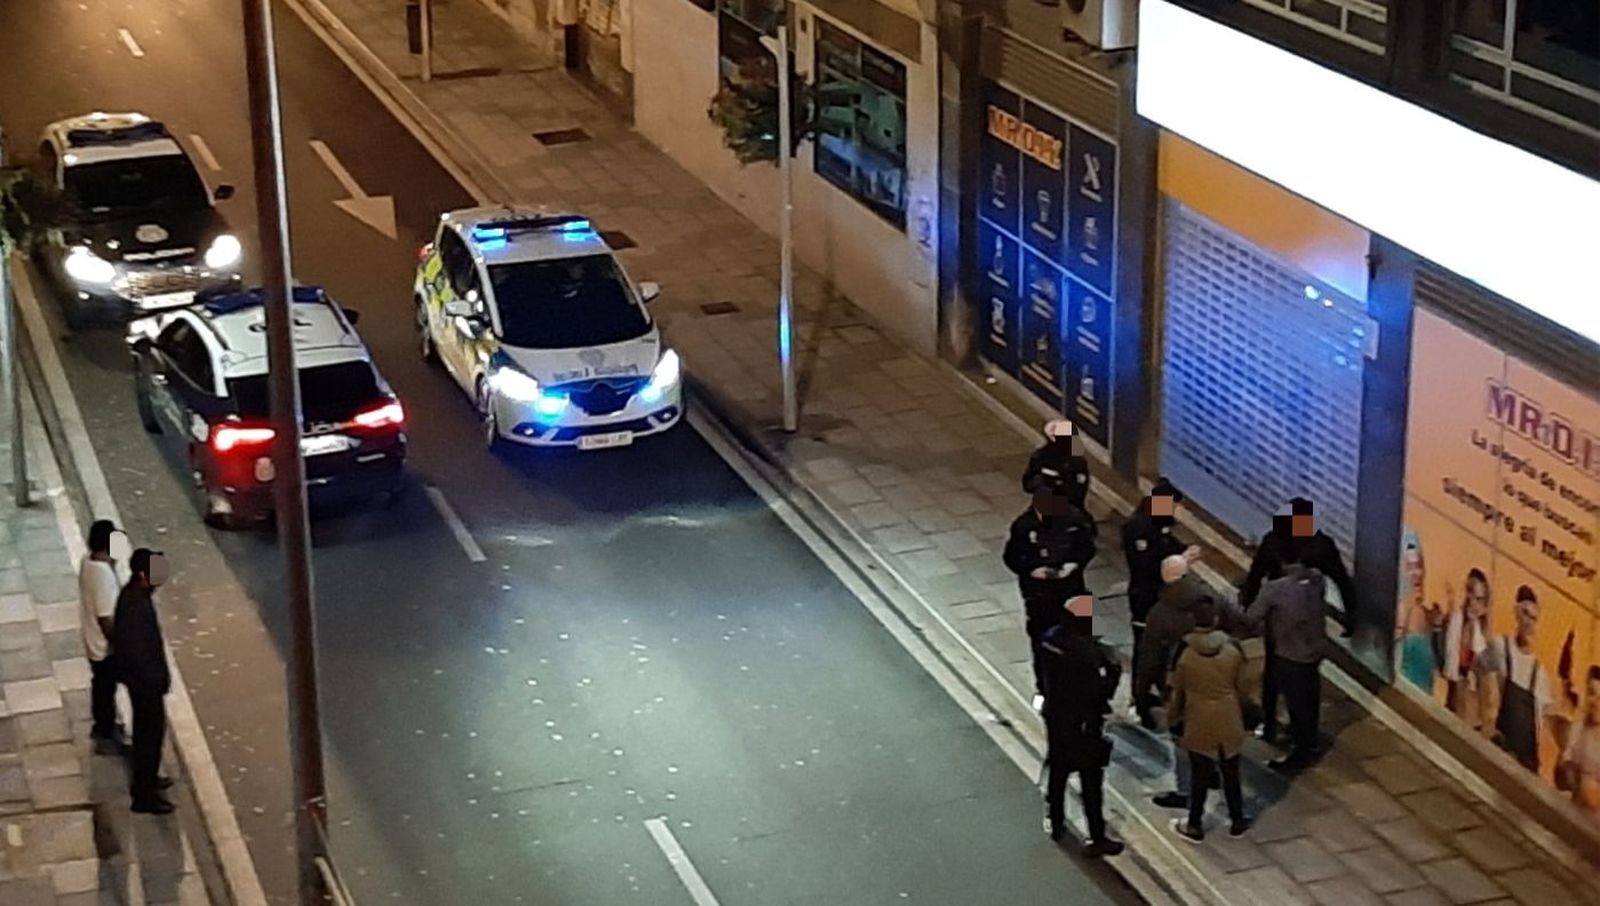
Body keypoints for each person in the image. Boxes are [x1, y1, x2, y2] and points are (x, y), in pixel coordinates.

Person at [1240, 499, 1355, 740]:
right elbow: (1342, 581)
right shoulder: (1321, 545)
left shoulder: (1274, 541)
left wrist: (1249, 607)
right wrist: (1350, 619)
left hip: (1279, 621)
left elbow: (1255, 576)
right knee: (1309, 679)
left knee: (1273, 674)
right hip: (1311, 623)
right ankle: (1306, 731)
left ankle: (1271, 724)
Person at [1037, 594, 1125, 857]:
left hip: (1056, 714)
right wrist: (1113, 670)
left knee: (1058, 767)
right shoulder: (1087, 653)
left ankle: (1055, 818)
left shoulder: (1049, 639)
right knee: (1090, 779)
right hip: (1085, 722)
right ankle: (1096, 835)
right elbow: (1101, 689)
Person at [1167, 598, 1252, 842]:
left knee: (1199, 777)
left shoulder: (1185, 656)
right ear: (1215, 621)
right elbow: (1243, 688)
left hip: (1199, 720)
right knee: (1232, 773)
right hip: (1228, 717)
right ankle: (1238, 820)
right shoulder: (1232, 650)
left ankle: (1194, 825)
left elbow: (1178, 694)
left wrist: (1173, 719)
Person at [1004, 486, 1098, 706]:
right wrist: (1033, 570)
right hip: (1040, 594)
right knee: (1043, 641)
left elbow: (1087, 547)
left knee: (1083, 638)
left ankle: (1084, 687)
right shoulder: (1024, 526)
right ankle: (1045, 689)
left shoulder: (1073, 519)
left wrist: (1073, 565)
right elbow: (1012, 557)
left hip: (1072, 589)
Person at [1122, 479, 1199, 726]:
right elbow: (1146, 564)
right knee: (1145, 651)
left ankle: (1159, 690)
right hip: (1146, 598)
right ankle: (1140, 699)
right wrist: (1178, 560)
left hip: (1165, 599)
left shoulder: (1161, 524)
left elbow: (1170, 546)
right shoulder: (1138, 528)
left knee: (1164, 649)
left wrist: (1184, 553)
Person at [1244, 547, 1329, 771]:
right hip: (1314, 650)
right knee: (1311, 696)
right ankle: (1310, 740)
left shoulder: (1275, 590)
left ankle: (1300, 754)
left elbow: (1251, 617)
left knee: (1296, 703)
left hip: (1289, 654)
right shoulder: (1318, 580)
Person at [113, 549, 175, 814]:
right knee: (148, 737)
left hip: (145, 683)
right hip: (145, 685)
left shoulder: (135, 598)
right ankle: (144, 794)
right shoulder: (135, 606)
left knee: (150, 735)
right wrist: (156, 679)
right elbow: (138, 652)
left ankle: (149, 781)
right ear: (142, 575)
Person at [1483, 587, 1571, 773]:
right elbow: (1479, 675)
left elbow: (1549, 719)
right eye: (1525, 614)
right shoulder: (1500, 646)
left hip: (1526, 762)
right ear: (1516, 612)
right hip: (1499, 751)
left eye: (1533, 618)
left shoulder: (1539, 674)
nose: (1528, 623)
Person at [78, 519, 124, 755]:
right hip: (103, 647)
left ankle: (103, 726)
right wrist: (121, 643)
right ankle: (105, 732)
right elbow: (106, 619)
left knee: (102, 686)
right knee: (106, 689)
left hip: (91, 640)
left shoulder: (87, 562)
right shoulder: (102, 576)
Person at [1437, 568, 1495, 734]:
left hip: (1469, 708)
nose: (1475, 604)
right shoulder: (1452, 623)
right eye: (1472, 596)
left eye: (1480, 600)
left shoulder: (1482, 639)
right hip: (1448, 695)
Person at [1394, 529, 1444, 691]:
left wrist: (1437, 628)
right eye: (1410, 566)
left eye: (1418, 566)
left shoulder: (1426, 614)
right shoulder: (1394, 611)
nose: (1416, 573)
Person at [1555, 667, 1600, 827]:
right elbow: (1560, 781)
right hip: (1574, 824)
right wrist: (1568, 770)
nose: (1595, 702)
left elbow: (1593, 798)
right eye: (1592, 694)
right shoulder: (1577, 728)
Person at [1021, 419, 1091, 508]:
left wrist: (1057, 484)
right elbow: (1027, 484)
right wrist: (1039, 483)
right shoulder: (1039, 457)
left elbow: (1078, 492)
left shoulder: (1076, 462)